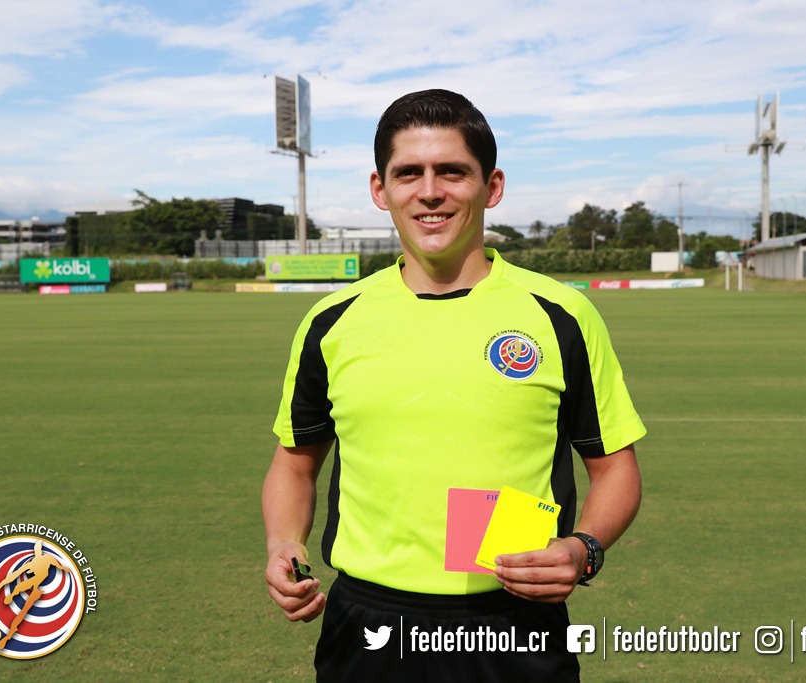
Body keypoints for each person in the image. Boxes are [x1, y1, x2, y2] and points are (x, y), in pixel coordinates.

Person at [263, 88, 646, 681]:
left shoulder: (560, 314)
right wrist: (283, 543)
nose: (430, 191)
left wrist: (584, 548)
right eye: (408, 173)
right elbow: (294, 462)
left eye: (452, 172)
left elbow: (615, 467)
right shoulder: (331, 321)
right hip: (368, 624)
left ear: (491, 186)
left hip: (514, 622)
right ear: (380, 189)